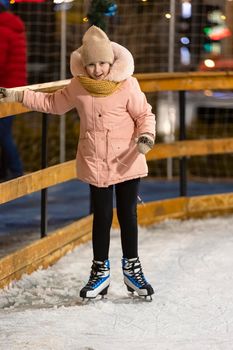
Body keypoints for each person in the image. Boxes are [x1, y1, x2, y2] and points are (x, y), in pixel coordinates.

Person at [0, 26, 156, 300]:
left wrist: (145, 137)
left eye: (102, 63)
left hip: (127, 159)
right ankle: (100, 272)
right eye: (92, 64)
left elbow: (144, 114)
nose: (97, 69)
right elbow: (52, 103)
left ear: (111, 61)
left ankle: (133, 269)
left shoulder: (127, 84)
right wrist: (17, 94)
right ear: (84, 64)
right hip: (96, 161)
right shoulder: (78, 85)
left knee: (128, 215)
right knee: (102, 216)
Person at [0, 0, 26, 180]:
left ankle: (16, 171)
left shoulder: (2, 31)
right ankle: (7, 171)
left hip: (4, 90)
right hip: (13, 88)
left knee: (3, 133)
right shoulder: (13, 27)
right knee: (4, 132)